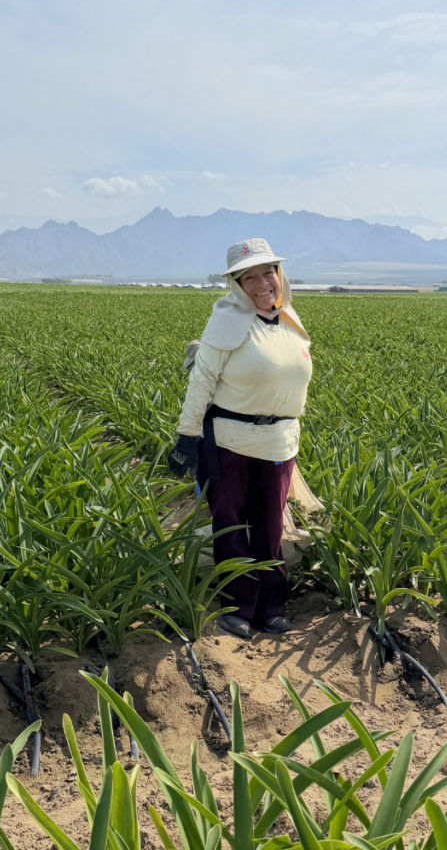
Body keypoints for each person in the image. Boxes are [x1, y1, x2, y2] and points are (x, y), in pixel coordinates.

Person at [167, 238, 312, 638]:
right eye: (250, 277)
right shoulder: (227, 320)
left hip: (280, 442)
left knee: (270, 527)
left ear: (280, 275)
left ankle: (272, 605)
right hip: (230, 440)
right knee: (230, 525)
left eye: (269, 272)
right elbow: (202, 381)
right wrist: (187, 436)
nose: (263, 282)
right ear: (236, 284)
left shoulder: (288, 320)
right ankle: (237, 607)